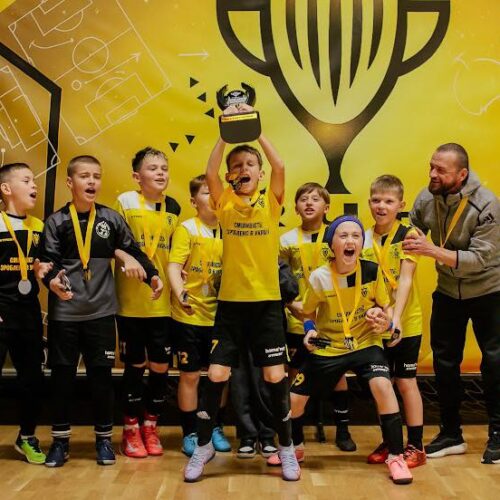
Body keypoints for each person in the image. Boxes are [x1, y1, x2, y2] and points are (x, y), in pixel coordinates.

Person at [183, 103, 301, 482]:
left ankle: (285, 448)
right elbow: (209, 172)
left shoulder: (270, 203)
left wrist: (254, 129)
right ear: (229, 176)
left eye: (250, 165)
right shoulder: (225, 204)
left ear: (259, 174)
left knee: (275, 377)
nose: (243, 169)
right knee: (217, 373)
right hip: (231, 307)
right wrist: (226, 133)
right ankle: (203, 447)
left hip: (266, 305)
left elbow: (279, 165)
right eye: (237, 166)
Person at [40, 155, 162, 467]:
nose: (92, 181)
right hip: (65, 315)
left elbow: (132, 250)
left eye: (96, 176)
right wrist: (51, 282)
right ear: (70, 182)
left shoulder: (110, 219)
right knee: (62, 379)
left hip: (101, 314)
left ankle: (104, 441)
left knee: (101, 379)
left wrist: (152, 276)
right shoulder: (56, 222)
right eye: (85, 176)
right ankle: (60, 442)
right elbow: (46, 263)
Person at [289, 215, 414, 485]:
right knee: (294, 399)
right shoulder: (320, 277)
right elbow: (308, 313)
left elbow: (385, 306)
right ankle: (295, 448)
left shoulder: (371, 270)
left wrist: (384, 319)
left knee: (383, 386)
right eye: (343, 236)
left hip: (365, 342)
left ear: (361, 244)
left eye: (356, 236)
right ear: (332, 245)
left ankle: (396, 457)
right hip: (329, 346)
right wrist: (309, 329)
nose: (350, 241)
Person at [403, 143, 500, 464]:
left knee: (494, 364)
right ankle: (451, 434)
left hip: (489, 292)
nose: (432, 174)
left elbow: (479, 259)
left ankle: (498, 433)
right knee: (444, 363)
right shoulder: (426, 197)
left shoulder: (487, 204)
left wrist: (431, 251)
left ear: (462, 174)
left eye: (440, 170)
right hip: (447, 293)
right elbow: (412, 227)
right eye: (431, 166)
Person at [279, 182, 355, 453]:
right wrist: (292, 305)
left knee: (337, 375)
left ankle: (343, 430)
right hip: (297, 318)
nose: (309, 203)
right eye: (303, 199)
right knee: (295, 373)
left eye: (315, 199)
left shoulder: (336, 237)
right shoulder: (286, 240)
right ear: (295, 207)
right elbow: (280, 279)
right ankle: (294, 432)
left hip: (331, 321)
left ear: (327, 207)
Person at [114, 147, 180, 458]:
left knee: (160, 366)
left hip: (162, 303)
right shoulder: (126, 202)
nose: (160, 173)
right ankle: (130, 429)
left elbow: (174, 252)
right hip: (131, 302)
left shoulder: (174, 207)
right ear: (136, 176)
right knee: (135, 365)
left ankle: (151, 426)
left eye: (164, 168)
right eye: (153, 168)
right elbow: (115, 244)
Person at [362, 175, 426, 468]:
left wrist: (395, 320)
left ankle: (416, 446)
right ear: (369, 202)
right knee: (382, 384)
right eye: (376, 200)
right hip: (376, 325)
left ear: (401, 205)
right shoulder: (363, 237)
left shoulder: (408, 234)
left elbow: (406, 280)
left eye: (388, 201)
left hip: (405, 322)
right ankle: (391, 441)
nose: (381, 206)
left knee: (405, 381)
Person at [168, 174, 230, 457]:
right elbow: (174, 266)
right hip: (190, 316)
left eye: (216, 192)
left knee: (220, 376)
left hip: (221, 317)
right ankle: (190, 432)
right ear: (194, 201)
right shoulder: (187, 229)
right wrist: (181, 292)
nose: (213, 197)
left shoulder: (230, 228)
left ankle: (214, 427)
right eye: (206, 193)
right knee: (190, 375)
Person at [0, 162, 52, 464]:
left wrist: (45, 271)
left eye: (34, 180)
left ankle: (27, 437)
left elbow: (42, 267)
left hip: (28, 314)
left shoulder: (39, 227)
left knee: (32, 378)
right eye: (27, 180)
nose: (34, 185)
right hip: (1, 313)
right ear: (6, 189)